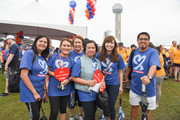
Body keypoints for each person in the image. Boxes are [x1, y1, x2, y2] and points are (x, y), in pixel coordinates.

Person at [125, 32, 161, 120]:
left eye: (146, 39)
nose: (143, 41)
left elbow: (154, 66)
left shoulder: (153, 52)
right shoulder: (133, 52)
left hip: (149, 87)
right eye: (141, 39)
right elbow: (129, 66)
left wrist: (149, 77)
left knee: (147, 110)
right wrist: (126, 78)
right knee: (134, 106)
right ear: (137, 41)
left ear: (148, 41)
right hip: (135, 86)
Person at [19, 35, 50, 120]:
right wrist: (34, 93)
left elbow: (43, 75)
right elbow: (23, 75)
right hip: (30, 91)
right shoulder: (29, 53)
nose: (42, 43)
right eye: (40, 41)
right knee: (35, 116)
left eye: (45, 42)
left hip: (39, 90)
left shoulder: (43, 58)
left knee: (37, 114)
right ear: (35, 42)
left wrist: (44, 91)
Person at [96, 35, 125, 120]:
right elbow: (96, 70)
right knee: (103, 103)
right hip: (101, 84)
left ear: (114, 44)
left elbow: (120, 72)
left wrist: (120, 86)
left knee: (111, 105)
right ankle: (104, 116)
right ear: (104, 44)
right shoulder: (99, 55)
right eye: (107, 42)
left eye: (111, 43)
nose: (109, 45)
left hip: (114, 84)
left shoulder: (118, 56)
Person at [71, 40, 101, 120]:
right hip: (85, 92)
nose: (91, 49)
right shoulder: (80, 61)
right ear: (85, 49)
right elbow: (74, 77)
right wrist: (87, 82)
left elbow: (99, 75)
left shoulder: (97, 61)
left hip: (96, 92)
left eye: (93, 48)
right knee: (89, 115)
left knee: (92, 113)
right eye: (89, 48)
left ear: (96, 50)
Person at [46, 38, 74, 120]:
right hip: (53, 88)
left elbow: (73, 75)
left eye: (68, 46)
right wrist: (55, 74)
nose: (66, 47)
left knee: (63, 109)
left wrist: (68, 80)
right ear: (60, 46)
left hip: (65, 88)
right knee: (54, 111)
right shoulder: (54, 56)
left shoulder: (71, 59)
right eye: (64, 45)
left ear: (71, 47)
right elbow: (47, 69)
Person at [68, 35, 85, 120]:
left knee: (81, 99)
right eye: (76, 42)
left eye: (79, 42)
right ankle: (71, 116)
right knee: (71, 99)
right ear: (73, 44)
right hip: (71, 81)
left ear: (82, 44)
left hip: (82, 80)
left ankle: (79, 115)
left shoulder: (86, 54)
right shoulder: (69, 54)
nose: (77, 44)